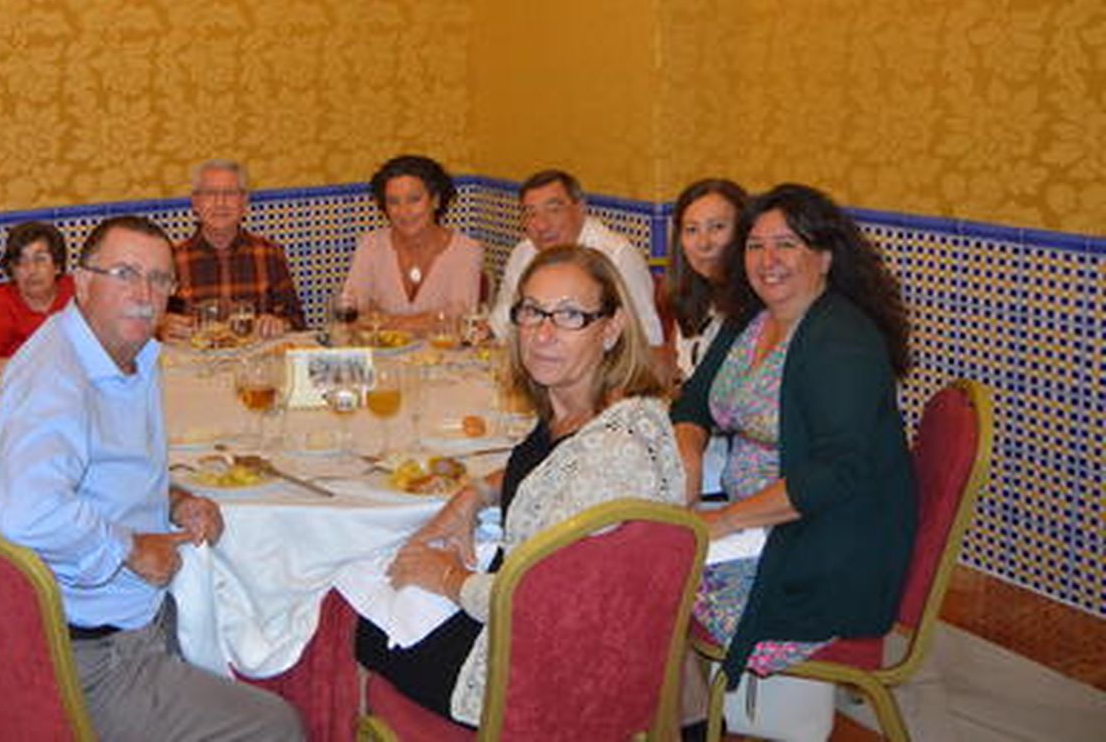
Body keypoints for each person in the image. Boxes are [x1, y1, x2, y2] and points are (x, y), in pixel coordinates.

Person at [0, 216, 303, 742]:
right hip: (89, 654)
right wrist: (131, 546)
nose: (145, 294)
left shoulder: (124, 352)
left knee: (270, 618)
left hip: (139, 616)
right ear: (83, 283)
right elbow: (26, 513)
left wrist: (174, 498)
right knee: (278, 725)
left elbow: (103, 470)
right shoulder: (54, 378)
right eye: (125, 274)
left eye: (160, 279)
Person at [356, 244, 685, 727]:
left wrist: (446, 577)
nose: (544, 334)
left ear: (611, 328)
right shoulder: (585, 412)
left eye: (571, 315)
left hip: (532, 677)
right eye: (532, 311)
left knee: (354, 622)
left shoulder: (613, 454)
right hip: (548, 641)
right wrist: (476, 493)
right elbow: (548, 466)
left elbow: (539, 606)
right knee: (383, 583)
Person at [672, 183, 915, 688]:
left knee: (649, 575)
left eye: (787, 244)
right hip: (760, 524)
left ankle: (675, 717)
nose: (768, 260)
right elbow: (693, 400)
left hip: (823, 551)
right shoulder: (754, 319)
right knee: (638, 541)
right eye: (756, 245)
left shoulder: (840, 341)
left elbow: (833, 474)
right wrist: (690, 454)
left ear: (824, 257)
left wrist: (724, 521)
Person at [487, 169, 665, 351]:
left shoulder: (616, 256)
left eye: (554, 210)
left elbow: (648, 337)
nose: (541, 225)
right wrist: (487, 331)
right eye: (531, 214)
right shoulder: (524, 252)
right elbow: (505, 315)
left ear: (580, 208)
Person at [162, 159, 305, 340]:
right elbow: (150, 324)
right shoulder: (172, 259)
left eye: (230, 193)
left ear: (244, 202)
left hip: (256, 363)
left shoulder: (269, 254)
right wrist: (160, 327)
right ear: (195, 203)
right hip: (195, 364)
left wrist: (280, 324)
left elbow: (298, 322)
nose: (220, 202)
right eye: (210, 193)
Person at [341, 155, 484, 333]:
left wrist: (380, 320)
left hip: (445, 359)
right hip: (382, 358)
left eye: (414, 199)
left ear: (435, 200)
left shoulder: (466, 251)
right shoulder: (370, 245)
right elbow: (350, 315)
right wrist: (429, 320)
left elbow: (459, 321)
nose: (404, 212)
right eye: (394, 202)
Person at [0, 220, 75, 383]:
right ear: (12, 270)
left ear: (57, 265)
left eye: (40, 259)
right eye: (21, 262)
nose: (31, 270)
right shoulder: (1, 300)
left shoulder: (77, 291)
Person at [665, 178, 749, 382]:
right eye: (692, 230)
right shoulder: (690, 298)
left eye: (718, 227)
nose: (704, 243)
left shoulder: (757, 310)